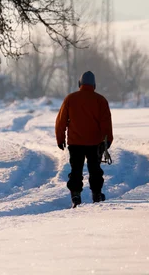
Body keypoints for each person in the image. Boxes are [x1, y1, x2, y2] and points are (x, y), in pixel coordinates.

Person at [55, 71, 114, 207]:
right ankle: (97, 194)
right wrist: (108, 140)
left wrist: (60, 139)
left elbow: (61, 121)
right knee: (95, 169)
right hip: (95, 142)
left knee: (76, 169)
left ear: (79, 84)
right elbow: (106, 122)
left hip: (75, 142)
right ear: (94, 84)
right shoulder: (100, 100)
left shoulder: (70, 99)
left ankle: (75, 195)